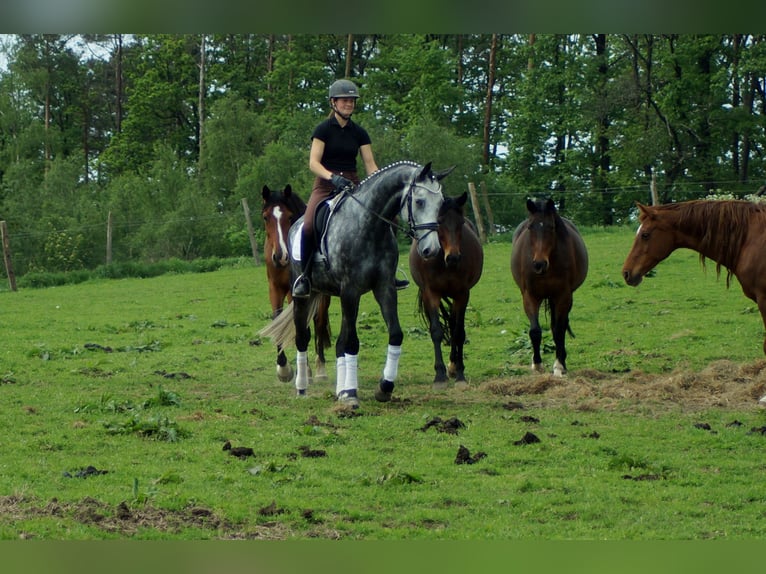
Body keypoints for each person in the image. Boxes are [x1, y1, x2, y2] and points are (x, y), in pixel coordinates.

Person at [292, 78, 409, 297]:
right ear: (333, 102)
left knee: (389, 220)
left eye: (352, 101)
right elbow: (313, 163)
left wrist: (381, 185)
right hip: (326, 185)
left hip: (354, 185)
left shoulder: (360, 133)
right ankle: (305, 277)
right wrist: (332, 177)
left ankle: (389, 273)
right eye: (344, 100)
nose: (349, 104)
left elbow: (370, 164)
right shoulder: (323, 130)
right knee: (308, 226)